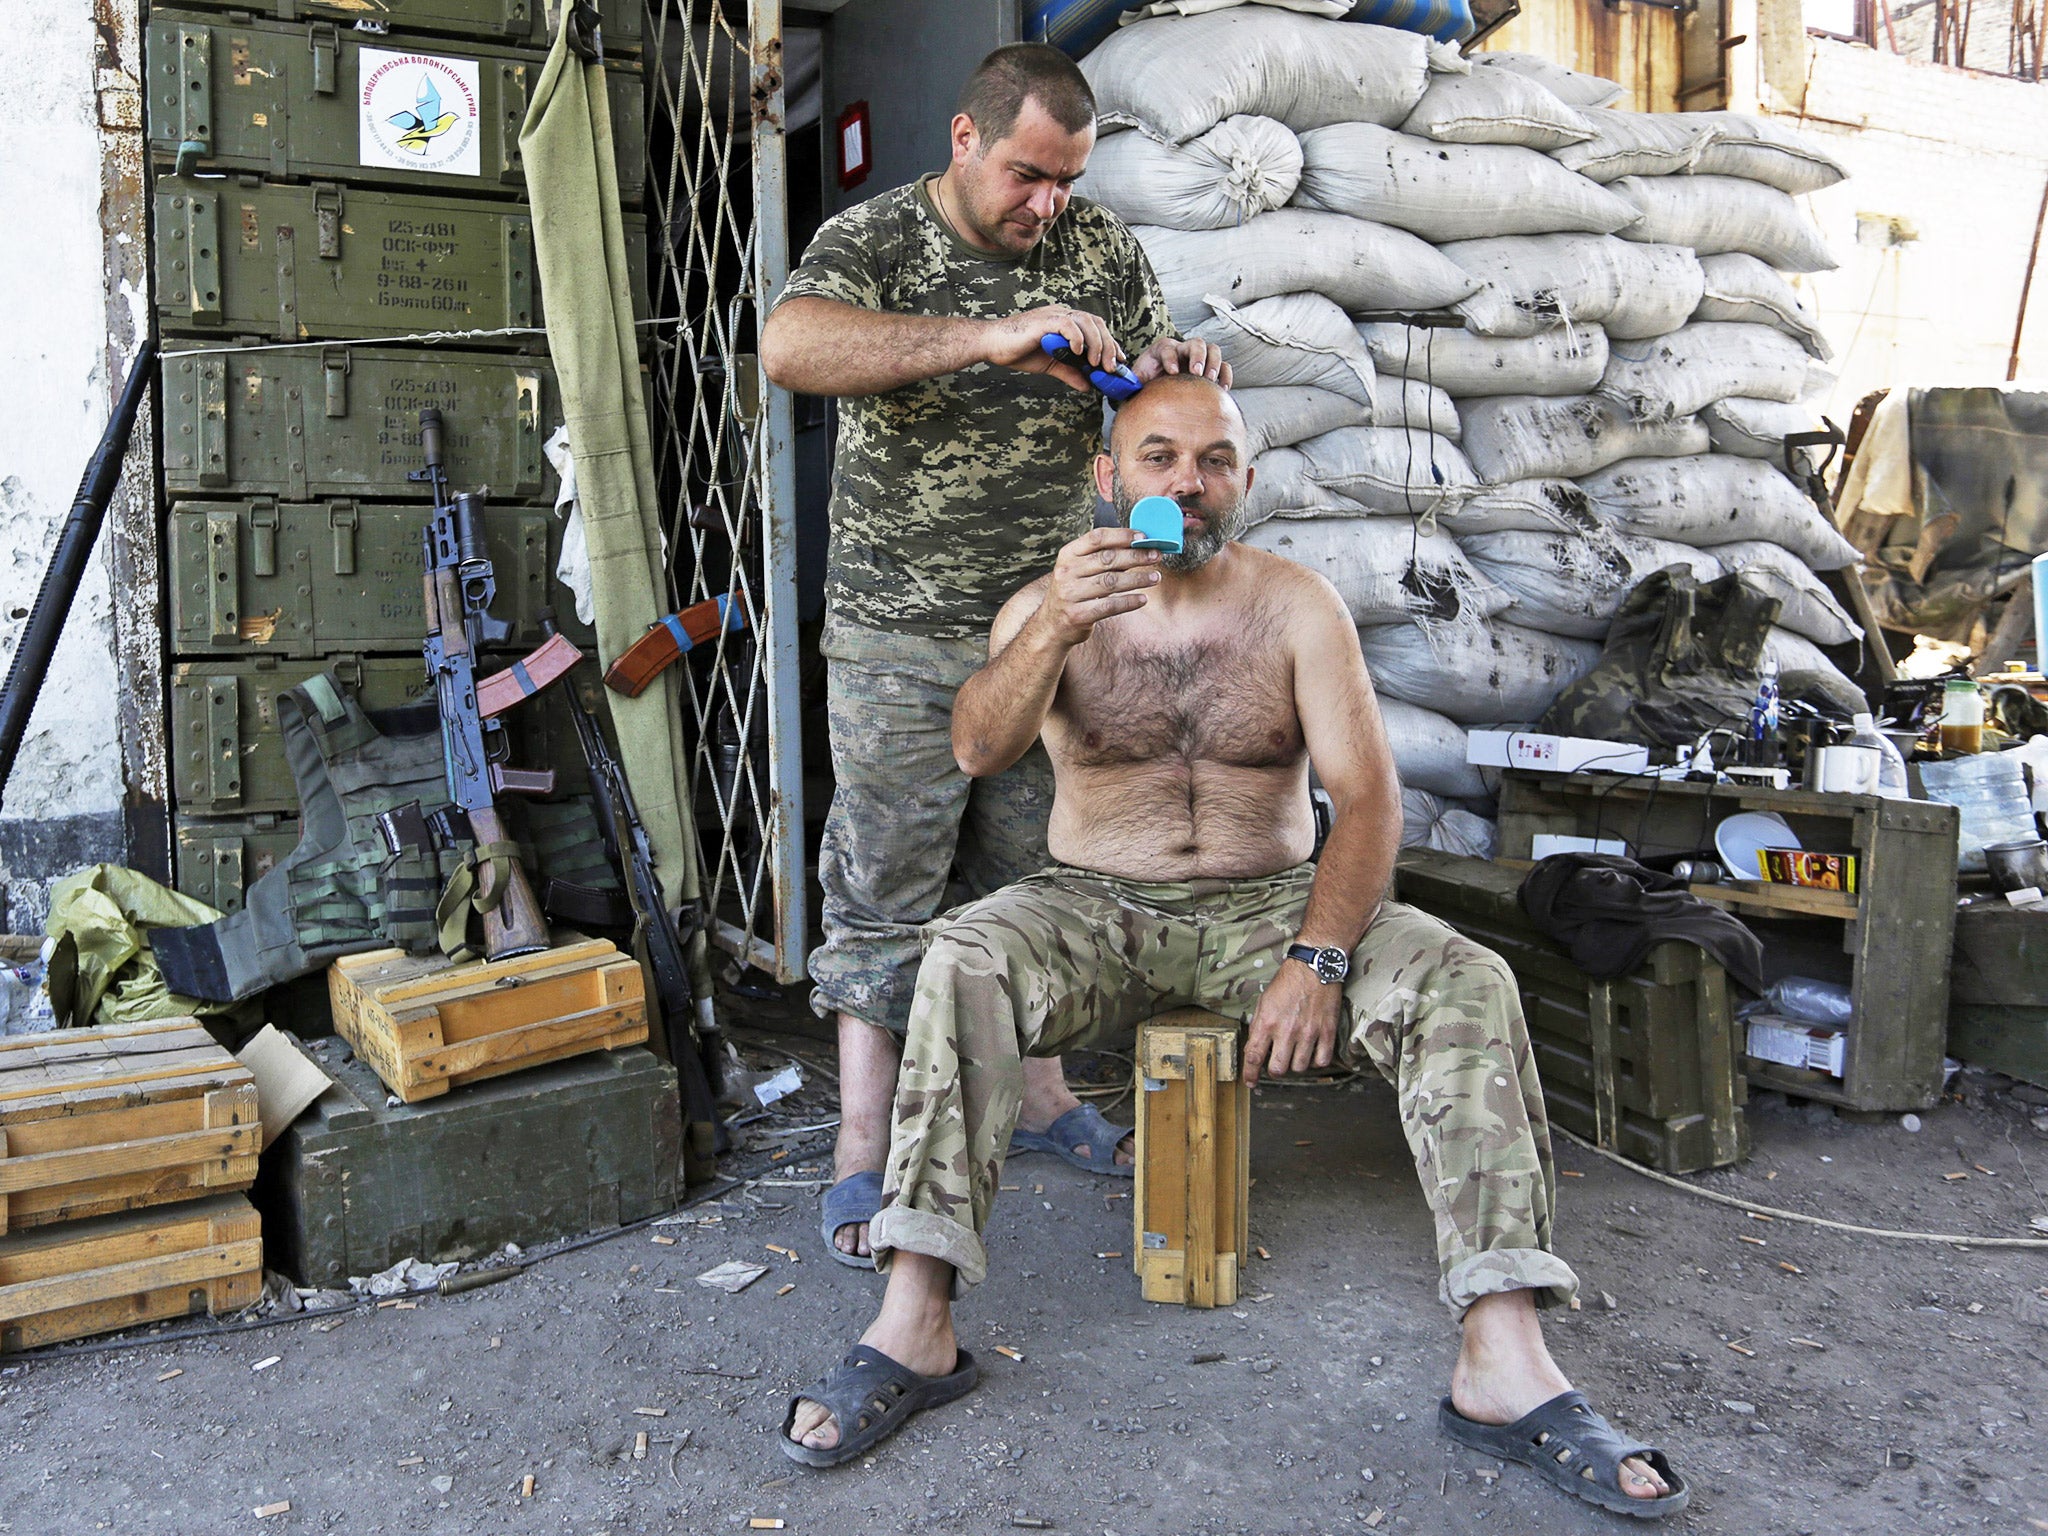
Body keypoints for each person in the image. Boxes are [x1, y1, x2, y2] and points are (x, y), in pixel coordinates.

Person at [774, 376, 1687, 1520]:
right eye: (1156, 458)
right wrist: (1056, 620)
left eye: (1212, 461)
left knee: (1468, 977)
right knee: (960, 954)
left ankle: (1501, 1355)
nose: (1185, 484)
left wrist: (1318, 959)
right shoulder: (1046, 604)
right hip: (1093, 904)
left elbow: (1365, 803)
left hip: (1270, 908)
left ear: (1244, 484)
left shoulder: (1295, 606)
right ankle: (915, 1321)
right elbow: (974, 746)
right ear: (1110, 480)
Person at [759, 43, 1229, 1266]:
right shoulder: (874, 240)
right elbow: (791, 348)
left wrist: (1169, 378)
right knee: (885, 888)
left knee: (1034, 871)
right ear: (965, 142)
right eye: (1027, 175)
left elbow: (1138, 404)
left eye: (1064, 180)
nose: (1046, 205)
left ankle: (1041, 1099)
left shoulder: (1100, 248)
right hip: (894, 631)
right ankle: (863, 1152)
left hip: (1048, 617)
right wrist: (985, 335)